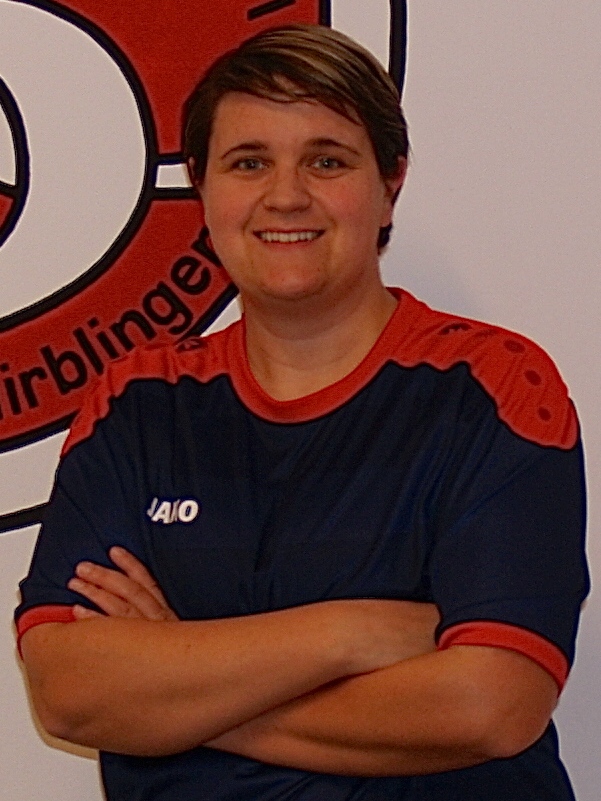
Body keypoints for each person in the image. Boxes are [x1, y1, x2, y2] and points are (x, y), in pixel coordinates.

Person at [15, 23, 588, 801]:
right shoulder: (137, 402)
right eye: (248, 162)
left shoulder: (488, 385)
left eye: (326, 160)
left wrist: (178, 685)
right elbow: (70, 692)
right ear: (202, 185)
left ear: (390, 182)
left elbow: (489, 706)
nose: (285, 195)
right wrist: (349, 633)